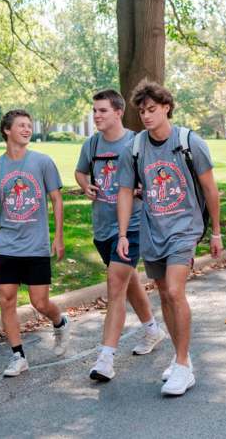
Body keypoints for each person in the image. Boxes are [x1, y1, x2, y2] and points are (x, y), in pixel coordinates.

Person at [116, 79, 223, 397]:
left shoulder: (190, 142)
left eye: (152, 109)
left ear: (166, 108)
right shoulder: (134, 149)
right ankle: (183, 358)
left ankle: (181, 365)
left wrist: (216, 231)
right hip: (153, 229)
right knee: (163, 294)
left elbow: (210, 189)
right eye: (142, 111)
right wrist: (123, 234)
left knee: (175, 290)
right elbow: (124, 192)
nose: (146, 116)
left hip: (184, 228)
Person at [74, 90, 165, 382]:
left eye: (102, 111)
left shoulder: (137, 142)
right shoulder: (92, 144)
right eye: (95, 111)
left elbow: (156, 174)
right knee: (127, 282)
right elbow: (80, 172)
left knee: (115, 284)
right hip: (103, 227)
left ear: (118, 113)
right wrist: (86, 186)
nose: (97, 116)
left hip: (133, 225)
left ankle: (105, 358)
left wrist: (141, 189)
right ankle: (152, 329)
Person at [0, 109, 71, 377]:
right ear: (7, 130)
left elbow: (56, 199)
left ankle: (59, 321)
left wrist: (59, 235)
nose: (27, 129)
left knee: (40, 302)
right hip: (6, 245)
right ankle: (18, 356)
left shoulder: (42, 162)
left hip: (36, 244)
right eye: (21, 125)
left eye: (29, 125)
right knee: (6, 300)